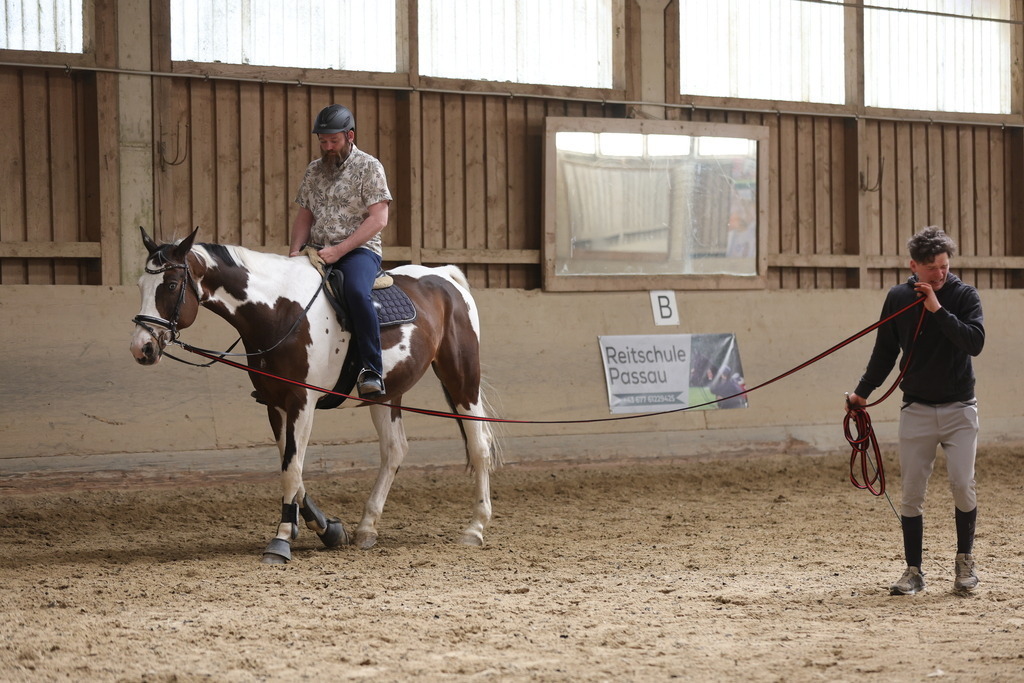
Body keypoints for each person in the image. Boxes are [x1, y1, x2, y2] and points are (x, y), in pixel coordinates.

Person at [847, 226, 985, 595]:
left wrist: (937, 309)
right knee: (912, 492)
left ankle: (964, 562)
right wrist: (862, 393)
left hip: (959, 409)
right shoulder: (897, 299)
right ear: (914, 266)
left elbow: (974, 342)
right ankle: (913, 570)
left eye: (944, 266)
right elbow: (884, 353)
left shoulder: (964, 295)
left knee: (962, 484)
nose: (940, 274)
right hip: (917, 409)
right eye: (932, 268)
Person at [289, 104, 393, 399]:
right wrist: (295, 251)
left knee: (358, 293)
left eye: (333, 141)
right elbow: (305, 216)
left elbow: (378, 219)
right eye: (322, 141)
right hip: (316, 250)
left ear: (349, 136)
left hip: (359, 251)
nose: (327, 146)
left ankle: (372, 368)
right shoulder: (314, 170)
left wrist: (341, 250)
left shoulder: (369, 167)